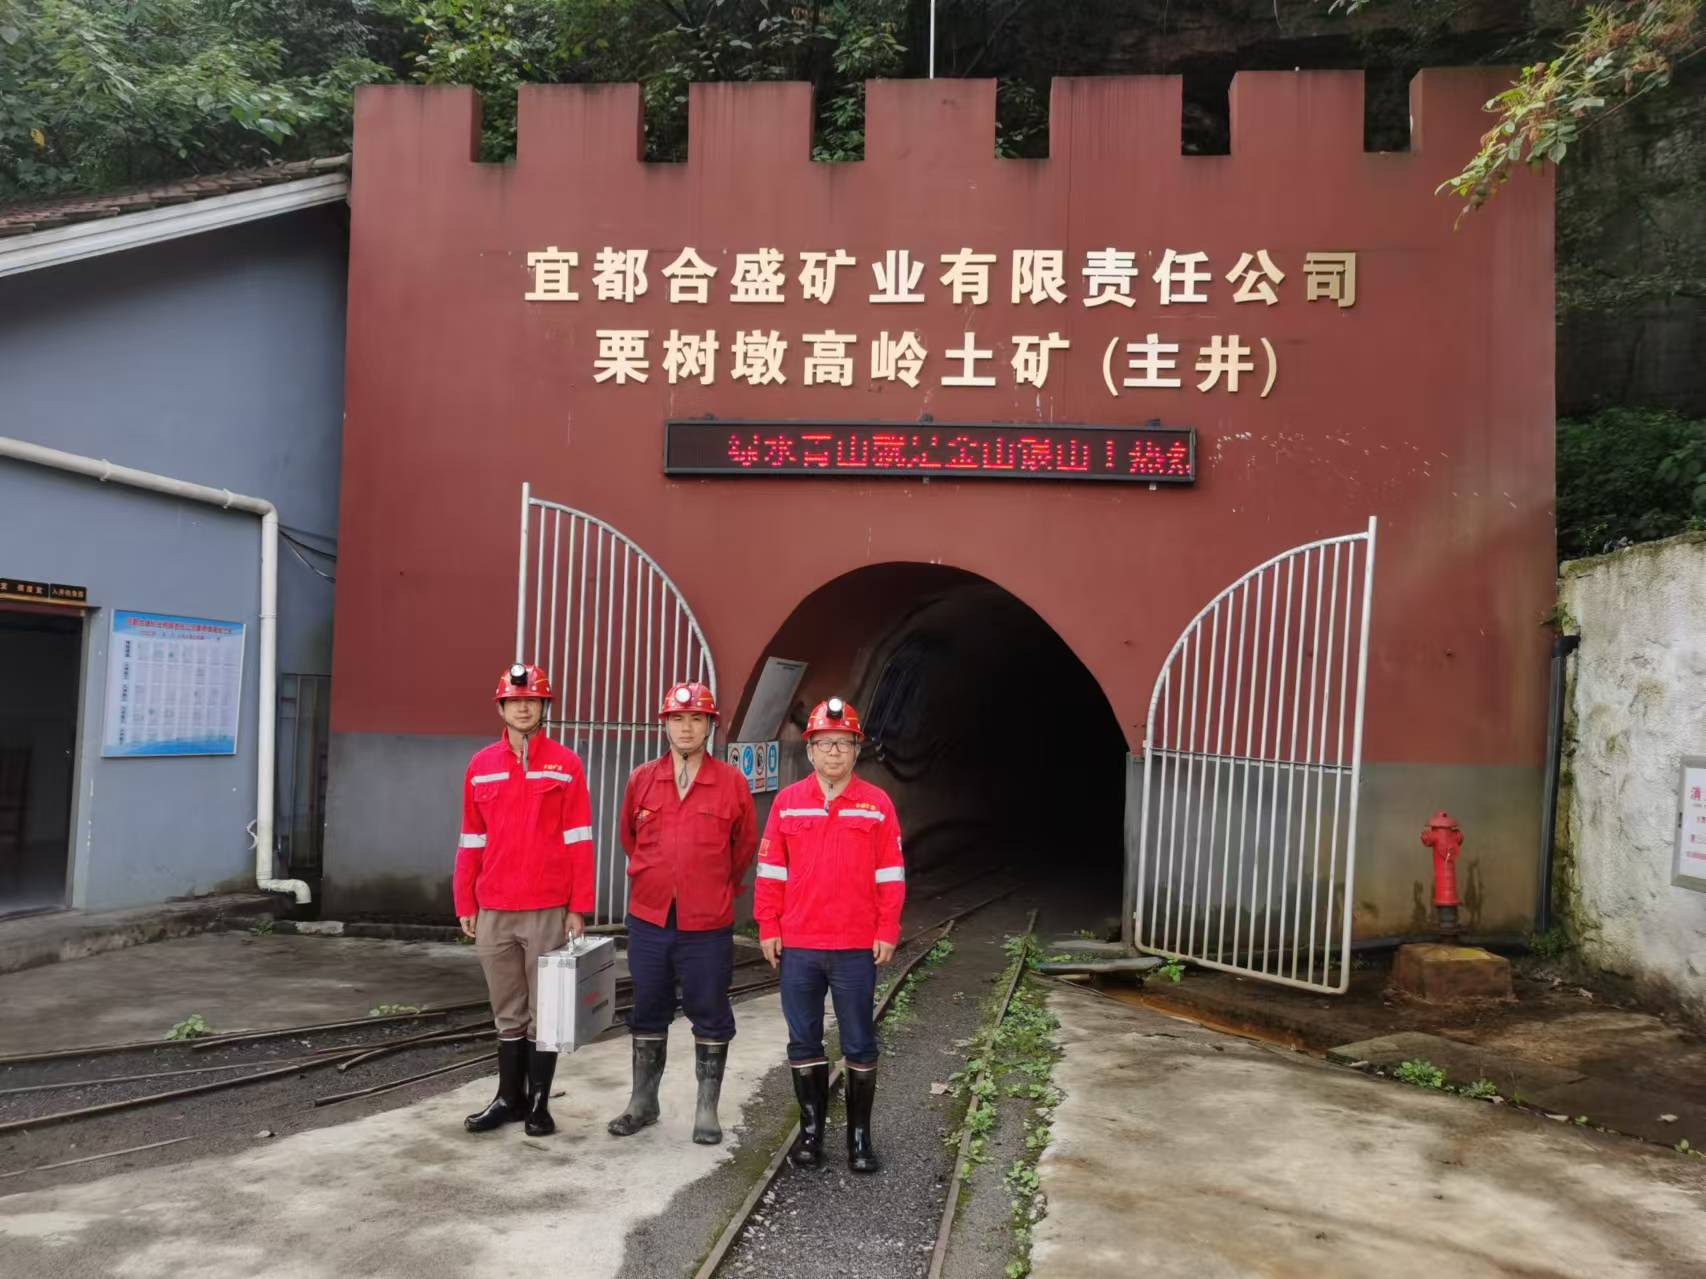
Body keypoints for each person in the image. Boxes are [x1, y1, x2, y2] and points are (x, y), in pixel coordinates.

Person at [754, 697, 905, 1173]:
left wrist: (886, 928)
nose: (834, 751)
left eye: (843, 743)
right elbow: (770, 871)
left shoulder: (877, 805)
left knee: (859, 1042)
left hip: (855, 946)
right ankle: (811, 1134)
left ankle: (859, 1140)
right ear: (810, 750)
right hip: (799, 944)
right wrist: (768, 925)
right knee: (804, 1041)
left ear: (857, 749)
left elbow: (890, 874)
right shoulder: (787, 803)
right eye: (824, 743)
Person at [608, 681, 757, 1144]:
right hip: (650, 919)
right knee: (648, 1007)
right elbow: (629, 838)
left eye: (696, 719)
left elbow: (743, 848)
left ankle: (706, 1111)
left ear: (710, 725)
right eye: (677, 719)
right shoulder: (642, 779)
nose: (686, 728)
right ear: (665, 724)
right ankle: (643, 1103)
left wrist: (710, 886)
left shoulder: (731, 782)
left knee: (709, 1009)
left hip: (706, 923)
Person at [454, 662, 595, 1137]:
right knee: (507, 1010)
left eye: (531, 701)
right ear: (501, 707)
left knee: (546, 1012)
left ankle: (538, 1105)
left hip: (547, 908)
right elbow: (471, 839)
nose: (523, 708)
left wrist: (579, 906)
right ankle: (507, 1099)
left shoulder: (566, 764)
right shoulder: (481, 766)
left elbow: (579, 840)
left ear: (543, 707)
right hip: (493, 908)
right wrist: (465, 902)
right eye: (514, 701)